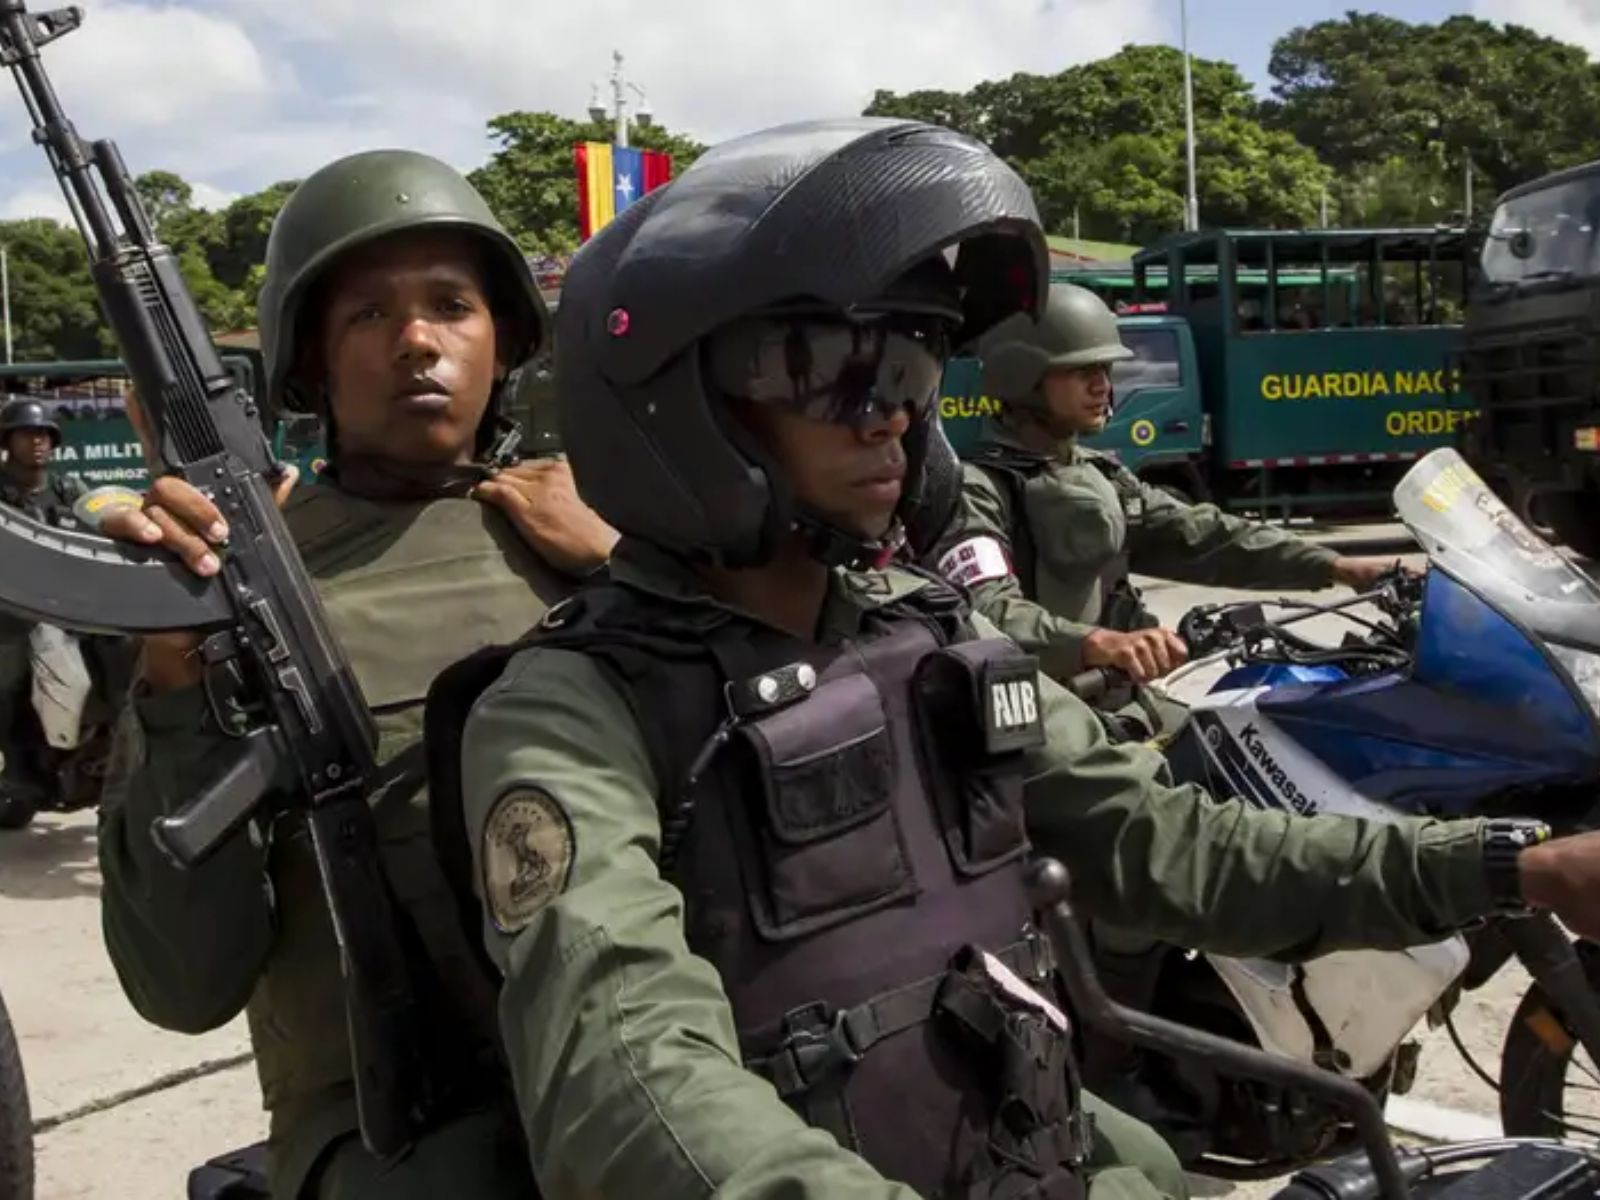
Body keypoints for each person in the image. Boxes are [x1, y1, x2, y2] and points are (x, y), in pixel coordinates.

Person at [424, 118, 1600, 1200]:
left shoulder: (923, 629)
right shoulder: (571, 711)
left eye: (908, 370)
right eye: (831, 367)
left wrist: (1517, 869)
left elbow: (1165, 842)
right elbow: (626, 1080)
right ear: (672, 406)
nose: (887, 414)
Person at [94, 149, 617, 1200]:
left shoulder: (593, 534)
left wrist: (627, 573)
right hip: (403, 1135)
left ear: (504, 338)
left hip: (630, 1076)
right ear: (311, 364)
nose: (417, 340)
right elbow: (181, 983)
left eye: (451, 306)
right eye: (369, 316)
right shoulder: (242, 588)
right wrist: (179, 677)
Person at [928, 283, 1399, 731]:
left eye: (1106, 371)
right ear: (1022, 376)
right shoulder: (979, 489)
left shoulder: (1101, 476)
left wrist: (1337, 566)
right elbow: (986, 610)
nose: (1102, 386)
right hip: (1049, 723)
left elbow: (1201, 535)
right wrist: (1096, 643)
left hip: (1120, 704)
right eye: (1082, 371)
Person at [0, 399, 89, 821]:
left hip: (71, 610)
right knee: (10, 679)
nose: (38, 442)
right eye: (27, 434)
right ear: (8, 441)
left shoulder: (70, 491)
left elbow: (105, 525)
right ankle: (20, 769)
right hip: (10, 614)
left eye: (44, 435)